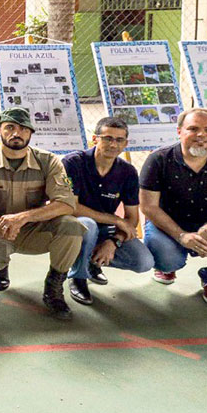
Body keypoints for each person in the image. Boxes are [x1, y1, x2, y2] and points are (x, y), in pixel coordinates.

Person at [0, 108, 82, 320]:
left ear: (30, 133)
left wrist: (23, 217)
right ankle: (0, 266)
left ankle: (54, 287)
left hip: (33, 230)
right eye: (10, 127)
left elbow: (66, 204)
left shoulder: (49, 161)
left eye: (23, 129)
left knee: (72, 226)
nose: (16, 133)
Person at [140, 108, 207, 306]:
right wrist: (181, 235)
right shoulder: (158, 160)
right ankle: (166, 267)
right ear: (179, 131)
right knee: (167, 257)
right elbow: (148, 207)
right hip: (169, 223)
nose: (201, 136)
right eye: (193, 129)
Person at [62, 117, 154, 306]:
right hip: (73, 226)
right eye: (107, 138)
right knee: (89, 225)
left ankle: (92, 261)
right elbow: (71, 207)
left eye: (119, 140)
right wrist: (115, 219)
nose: (113, 144)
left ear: (125, 144)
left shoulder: (128, 172)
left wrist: (114, 242)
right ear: (95, 139)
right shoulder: (73, 163)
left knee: (144, 262)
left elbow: (131, 218)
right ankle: (78, 277)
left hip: (106, 230)